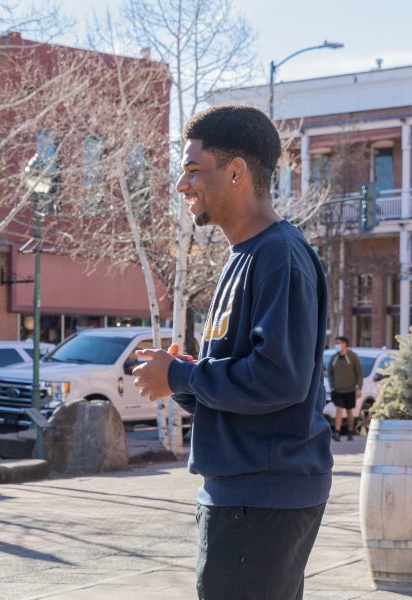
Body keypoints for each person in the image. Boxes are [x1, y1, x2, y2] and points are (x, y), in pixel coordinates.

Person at [132, 104, 332, 600]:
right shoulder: (245, 255)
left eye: (194, 170)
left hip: (260, 497)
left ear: (237, 171)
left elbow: (279, 379)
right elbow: (248, 379)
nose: (181, 185)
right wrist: (181, 377)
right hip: (243, 495)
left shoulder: (278, 256)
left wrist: (182, 378)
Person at [328, 336, 363, 441]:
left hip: (350, 389)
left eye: (339, 343)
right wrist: (332, 385)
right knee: (339, 409)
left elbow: (359, 373)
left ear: (345, 344)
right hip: (337, 389)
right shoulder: (334, 358)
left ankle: (350, 431)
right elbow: (330, 372)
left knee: (349, 411)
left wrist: (358, 387)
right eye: (336, 343)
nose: (337, 345)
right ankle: (337, 432)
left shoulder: (353, 356)